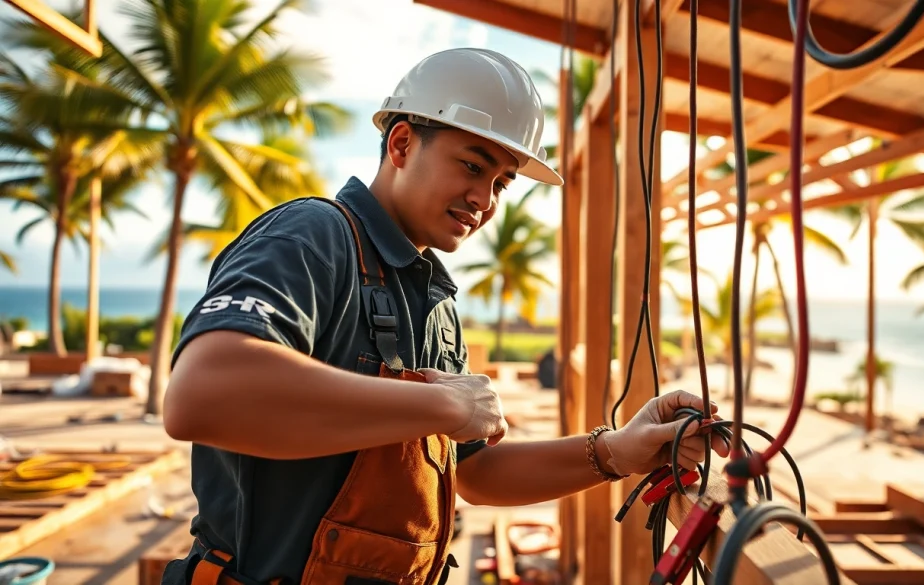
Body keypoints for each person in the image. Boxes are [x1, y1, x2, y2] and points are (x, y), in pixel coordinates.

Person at [160, 47, 727, 585]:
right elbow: (202, 394)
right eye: (472, 166)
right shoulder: (316, 236)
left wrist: (613, 451)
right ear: (402, 144)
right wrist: (443, 402)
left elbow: (475, 474)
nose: (485, 199)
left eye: (501, 183)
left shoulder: (435, 303)